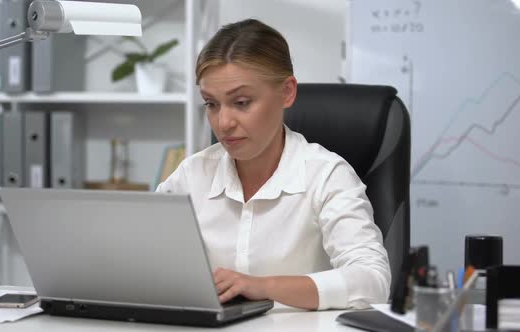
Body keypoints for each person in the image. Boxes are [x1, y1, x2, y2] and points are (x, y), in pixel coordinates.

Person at [156, 19, 390, 311]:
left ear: (287, 92)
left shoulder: (327, 175)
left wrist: (262, 287)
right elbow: (141, 259)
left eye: (241, 102)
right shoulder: (192, 176)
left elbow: (372, 280)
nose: (223, 123)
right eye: (211, 104)